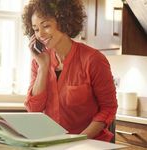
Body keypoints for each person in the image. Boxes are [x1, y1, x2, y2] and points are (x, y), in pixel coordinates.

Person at [22, 0, 117, 142]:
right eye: (35, 29)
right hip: (54, 143)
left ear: (64, 22)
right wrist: (43, 68)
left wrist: (78, 140)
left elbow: (108, 108)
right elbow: (34, 110)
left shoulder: (93, 60)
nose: (40, 34)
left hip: (90, 144)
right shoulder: (39, 60)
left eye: (46, 26)